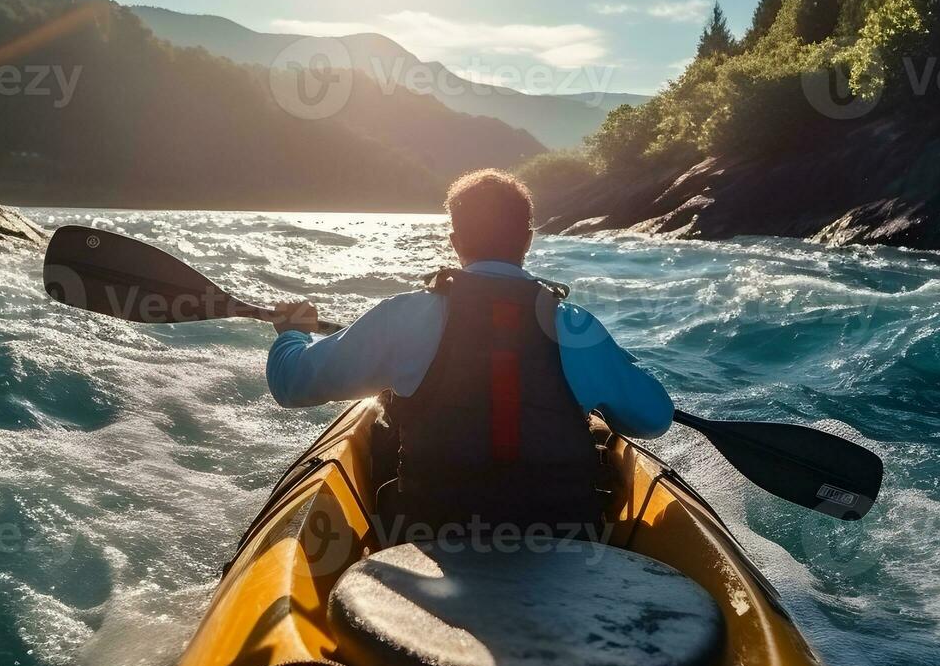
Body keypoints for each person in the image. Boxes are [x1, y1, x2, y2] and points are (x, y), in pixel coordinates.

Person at [266, 170, 673, 535]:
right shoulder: (575, 325)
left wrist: (293, 333)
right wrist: (614, 366)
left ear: (455, 241)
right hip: (563, 533)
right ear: (527, 241)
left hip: (433, 531)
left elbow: (291, 384)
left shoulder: (405, 315)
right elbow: (654, 417)